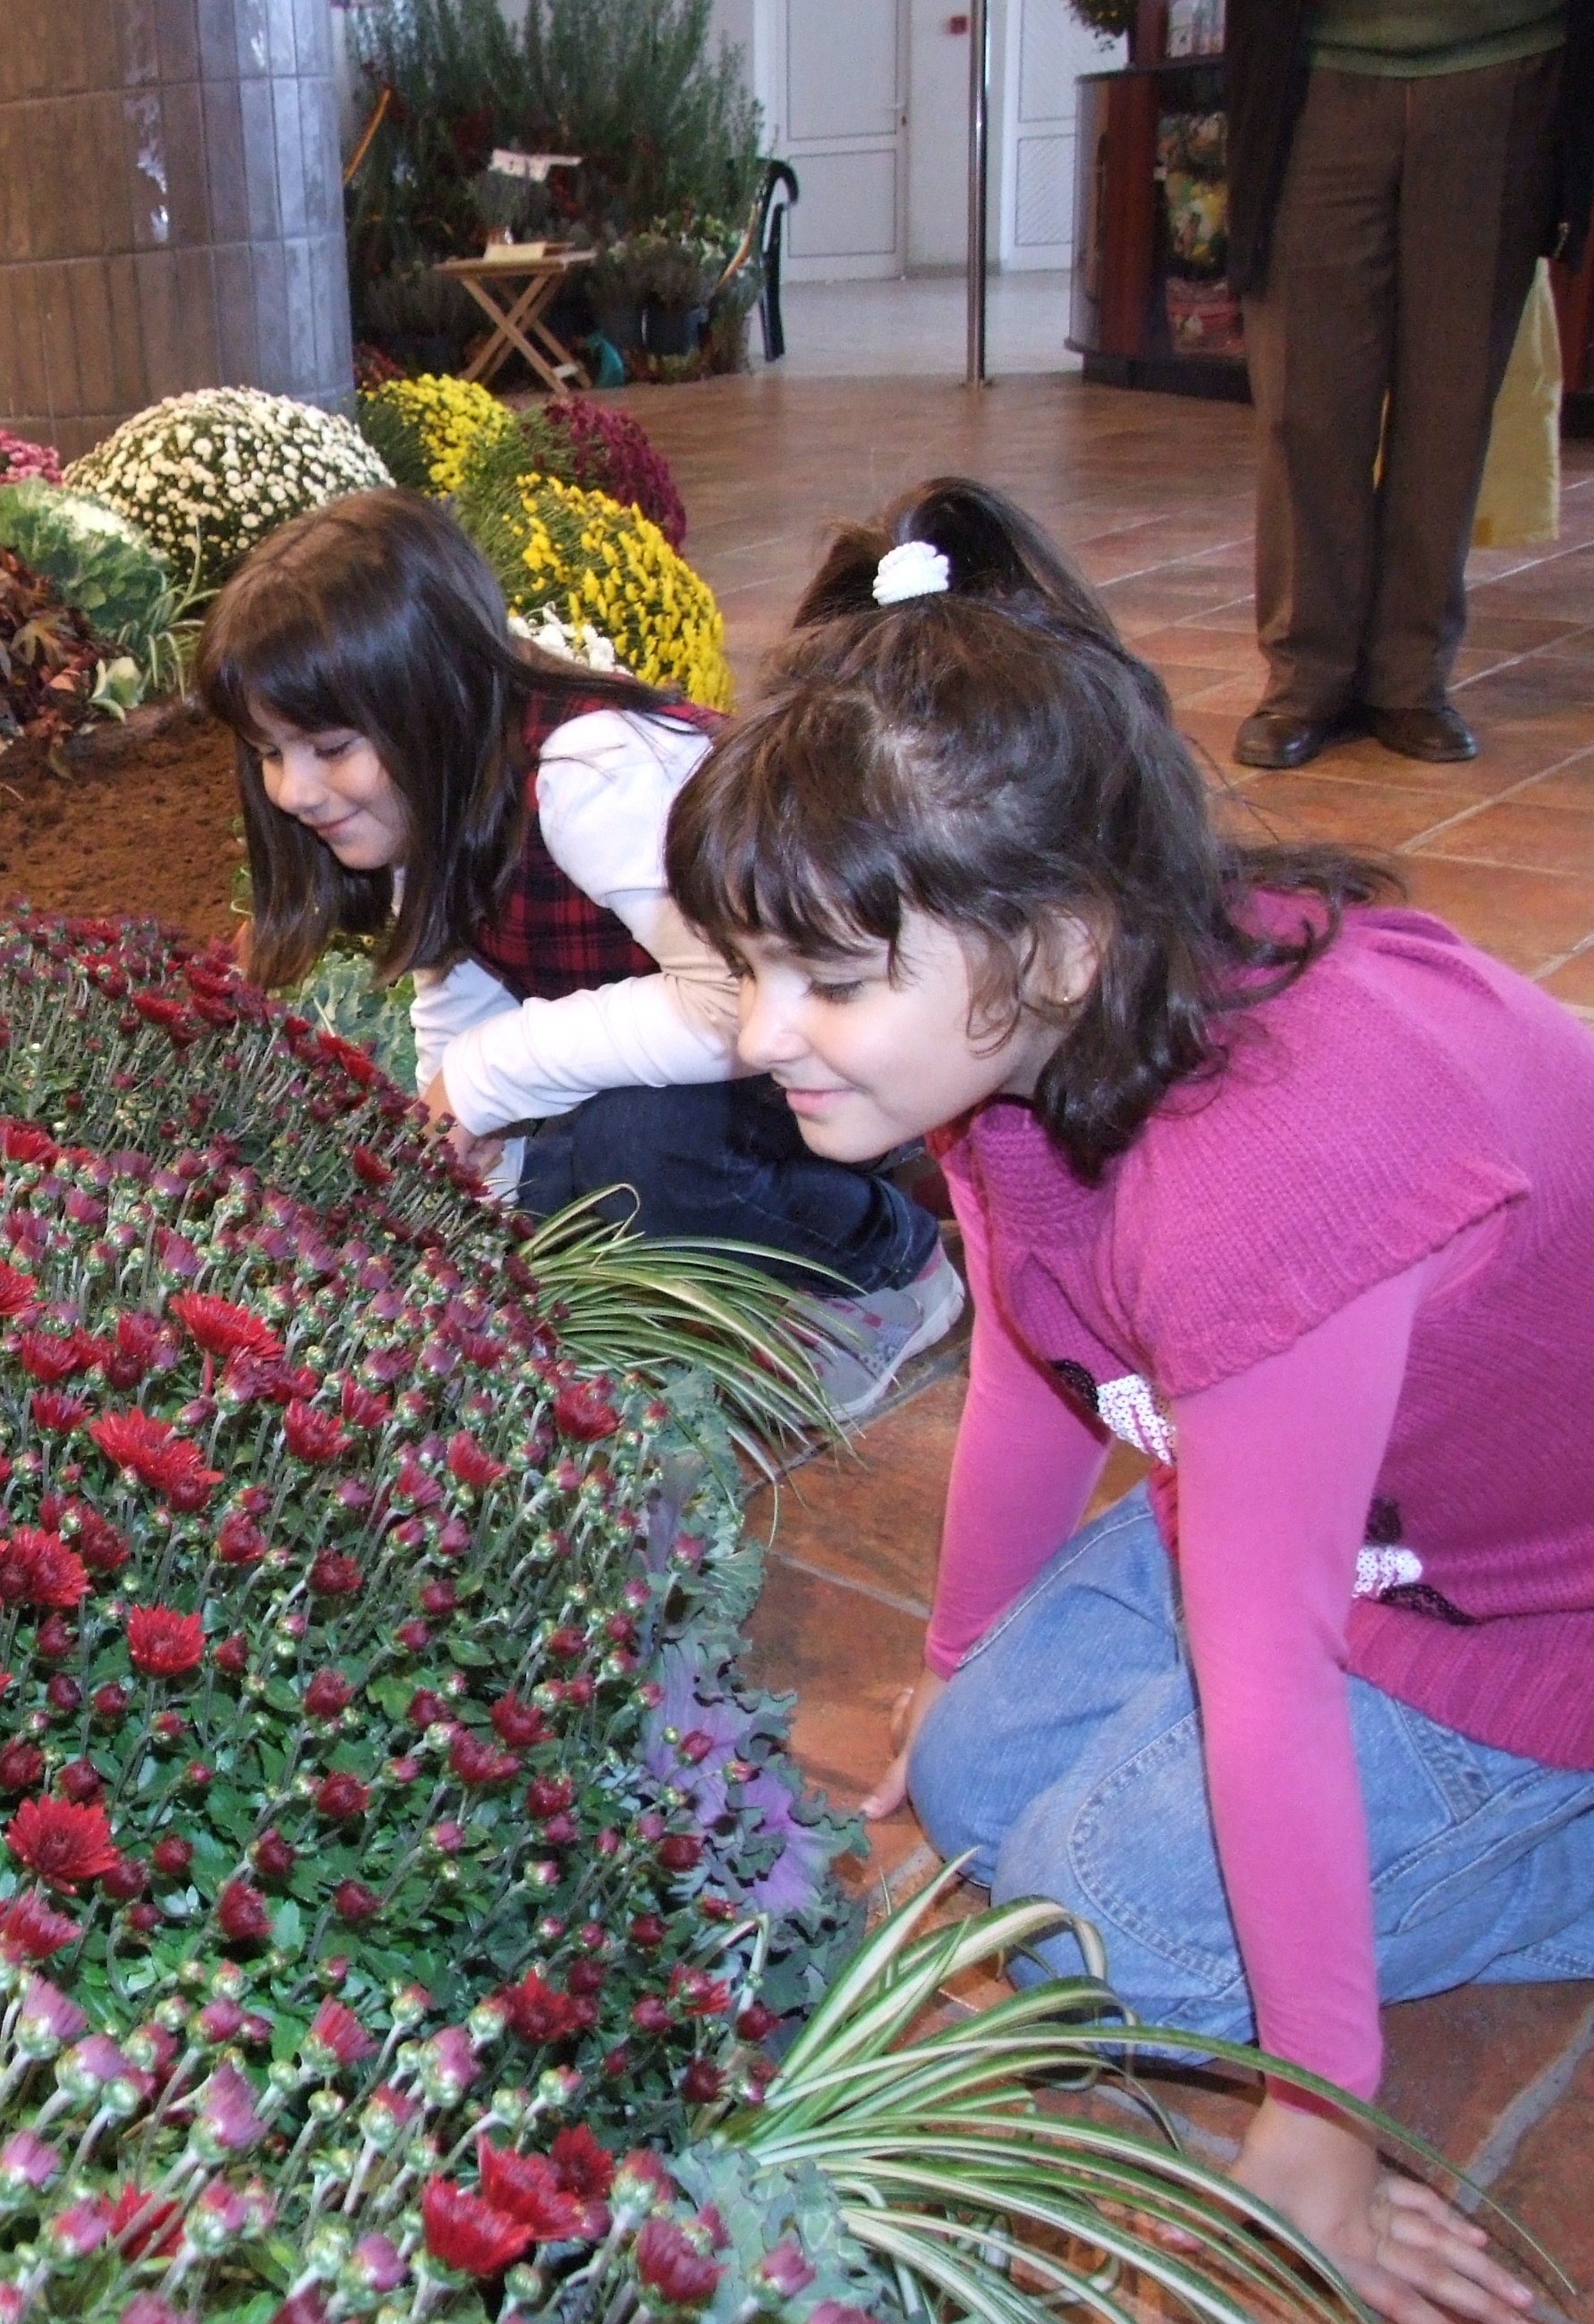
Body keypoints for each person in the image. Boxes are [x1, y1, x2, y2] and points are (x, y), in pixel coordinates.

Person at [667, 475, 1594, 2324]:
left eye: (828, 979)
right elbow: (1035, 1359)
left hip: (1525, 1613)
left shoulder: (1266, 1178)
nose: (762, 1035)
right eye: (744, 968)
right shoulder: (1049, 1010)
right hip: (1362, 1528)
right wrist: (946, 1667)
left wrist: (1312, 2119)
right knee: (988, 1766)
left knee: (1124, 1926)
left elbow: (1263, 1669)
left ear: (1058, 944)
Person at [197, 488, 958, 1420]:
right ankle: (788, 1212)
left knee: (637, 1150)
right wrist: (451, 1143)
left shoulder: (589, 772)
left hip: (855, 1046)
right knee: (544, 1183)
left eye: (325, 746)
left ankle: (890, 1266)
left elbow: (735, 1005)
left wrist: (490, 1076)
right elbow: (460, 975)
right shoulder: (433, 789)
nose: (293, 789)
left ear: (425, 696)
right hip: (726, 1071)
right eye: (268, 753)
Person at [1223, 0, 1594, 768]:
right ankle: (1305, 677)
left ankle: (1411, 678)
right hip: (1315, 68)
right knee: (1305, 405)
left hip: (1505, 66)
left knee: (1451, 404)